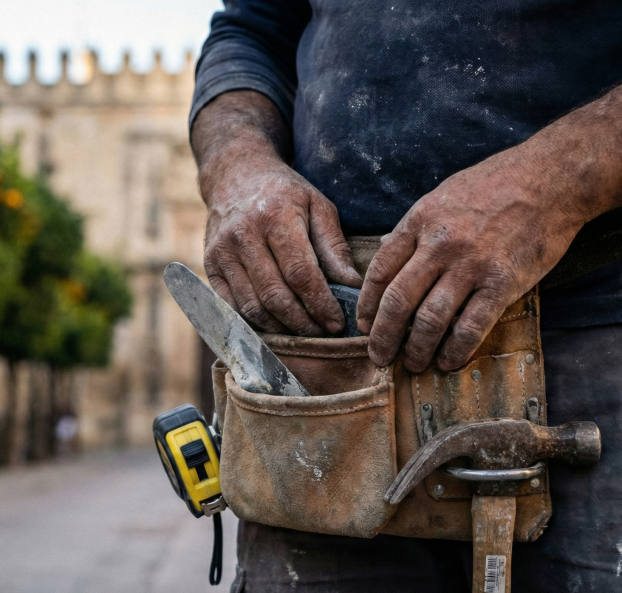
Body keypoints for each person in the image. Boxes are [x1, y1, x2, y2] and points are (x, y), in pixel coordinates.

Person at [190, 1, 622, 591]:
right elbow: (252, 30)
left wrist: (558, 181)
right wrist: (234, 163)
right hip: (322, 369)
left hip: (593, 341)